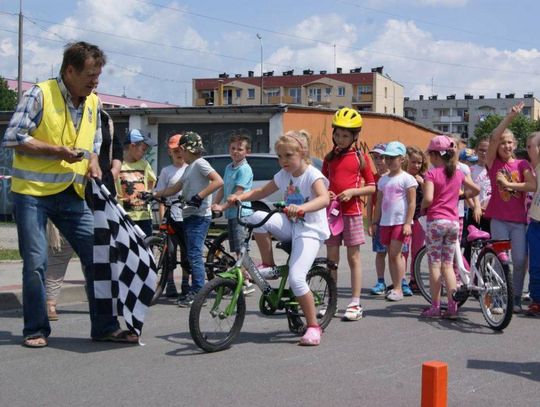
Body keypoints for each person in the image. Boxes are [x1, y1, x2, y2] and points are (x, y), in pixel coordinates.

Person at [2, 41, 135, 347]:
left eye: (98, 75)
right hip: (32, 194)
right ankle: (35, 329)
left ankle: (105, 326)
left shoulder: (93, 103)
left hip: (71, 193)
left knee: (98, 255)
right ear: (70, 70)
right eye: (90, 74)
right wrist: (56, 151)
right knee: (36, 261)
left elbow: (94, 143)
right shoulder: (39, 94)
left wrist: (91, 162)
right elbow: (14, 137)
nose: (95, 81)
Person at [228, 130, 330, 346]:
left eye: (288, 156)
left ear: (302, 153)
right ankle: (268, 262)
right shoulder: (284, 174)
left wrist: (302, 208)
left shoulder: (312, 174)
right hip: (291, 225)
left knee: (296, 278)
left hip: (310, 230)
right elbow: (261, 192)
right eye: (280, 156)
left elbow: (323, 199)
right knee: (255, 215)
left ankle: (313, 327)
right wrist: (239, 197)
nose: (283, 161)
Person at [45, 107, 122, 320]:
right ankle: (50, 302)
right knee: (60, 249)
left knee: (96, 252)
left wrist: (113, 172)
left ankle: (97, 303)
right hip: (70, 191)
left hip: (100, 192)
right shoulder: (66, 114)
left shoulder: (105, 118)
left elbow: (117, 150)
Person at [154, 131, 224, 307]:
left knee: (193, 253)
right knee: (191, 253)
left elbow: (218, 181)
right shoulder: (189, 168)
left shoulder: (200, 164)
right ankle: (195, 289)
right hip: (189, 215)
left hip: (199, 216)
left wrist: (199, 197)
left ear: (186, 149)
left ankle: (198, 292)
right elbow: (174, 188)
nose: (181, 154)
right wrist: (154, 194)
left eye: (181, 150)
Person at [322, 107, 375, 321]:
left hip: (352, 213)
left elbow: (372, 186)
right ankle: (331, 301)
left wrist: (353, 192)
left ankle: (355, 302)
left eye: (345, 135)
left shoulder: (360, 158)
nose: (340, 138)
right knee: (331, 260)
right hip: (332, 214)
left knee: (353, 258)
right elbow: (322, 184)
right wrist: (326, 192)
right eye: (337, 134)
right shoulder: (328, 157)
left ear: (355, 136)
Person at [420, 135, 480, 318]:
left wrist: (423, 206)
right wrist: (460, 195)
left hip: (436, 222)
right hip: (453, 222)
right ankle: (453, 308)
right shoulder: (458, 173)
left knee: (435, 265)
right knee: (448, 265)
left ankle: (435, 307)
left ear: (435, 155)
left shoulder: (431, 174)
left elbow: (429, 198)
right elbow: (476, 190)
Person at [485, 102, 536, 313]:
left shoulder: (522, 165)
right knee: (501, 260)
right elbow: (494, 135)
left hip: (519, 221)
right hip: (498, 220)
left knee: (520, 259)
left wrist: (508, 185)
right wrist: (510, 116)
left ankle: (514, 297)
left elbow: (532, 185)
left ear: (515, 144)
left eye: (509, 142)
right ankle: (498, 300)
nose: (505, 146)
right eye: (502, 143)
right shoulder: (493, 163)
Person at [211, 131, 255, 295]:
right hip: (232, 214)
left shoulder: (244, 169)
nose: (236, 151)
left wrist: (222, 208)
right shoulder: (229, 167)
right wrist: (216, 202)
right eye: (233, 148)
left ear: (247, 152)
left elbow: (237, 193)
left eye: (240, 149)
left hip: (241, 213)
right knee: (237, 248)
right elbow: (223, 188)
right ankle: (243, 278)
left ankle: (247, 282)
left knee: (241, 250)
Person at [372, 141, 417, 302]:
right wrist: (374, 222)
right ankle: (395, 285)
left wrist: (407, 223)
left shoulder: (407, 179)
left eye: (393, 158)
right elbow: (379, 202)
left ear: (402, 159)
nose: (389, 161)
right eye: (387, 158)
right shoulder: (383, 180)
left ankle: (398, 288)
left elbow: (412, 203)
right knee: (391, 256)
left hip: (400, 222)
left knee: (395, 254)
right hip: (385, 223)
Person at [154, 134, 191, 299]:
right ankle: (168, 282)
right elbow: (161, 197)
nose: (178, 153)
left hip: (187, 215)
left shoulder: (191, 168)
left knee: (187, 252)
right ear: (170, 152)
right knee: (169, 252)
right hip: (171, 216)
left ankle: (185, 282)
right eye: (174, 150)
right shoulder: (166, 171)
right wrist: (163, 219)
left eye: (180, 150)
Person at [116, 128, 157, 237]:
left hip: (144, 215)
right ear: (132, 146)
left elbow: (152, 181)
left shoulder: (144, 164)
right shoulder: (118, 164)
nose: (145, 153)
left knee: (146, 247)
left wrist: (147, 192)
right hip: (124, 214)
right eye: (143, 149)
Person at [403, 145, 428, 292]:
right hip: (404, 218)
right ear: (406, 161)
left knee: (417, 250)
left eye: (419, 162)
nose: (416, 165)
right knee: (403, 250)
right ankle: (401, 279)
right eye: (413, 162)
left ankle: (414, 279)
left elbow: (429, 196)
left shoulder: (424, 178)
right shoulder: (402, 176)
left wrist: (422, 183)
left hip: (419, 217)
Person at [367, 143, 390, 296]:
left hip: (395, 221)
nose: (378, 161)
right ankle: (381, 281)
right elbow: (370, 203)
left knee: (398, 254)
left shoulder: (395, 176)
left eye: (381, 157)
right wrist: (370, 223)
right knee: (380, 253)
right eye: (375, 158)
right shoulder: (373, 179)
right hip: (379, 221)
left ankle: (400, 282)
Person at [526, 131, 540, 316]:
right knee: (536, 265)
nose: (529, 150)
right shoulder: (537, 165)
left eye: (531, 146)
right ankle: (537, 300)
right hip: (536, 223)